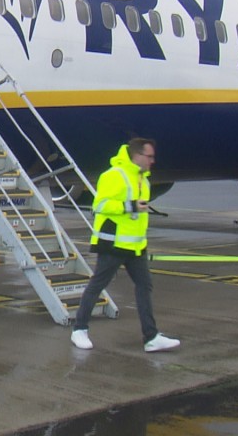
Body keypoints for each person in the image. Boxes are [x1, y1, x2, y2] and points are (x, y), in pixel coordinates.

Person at [71, 138, 180, 353]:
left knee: (144, 286)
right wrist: (129, 206)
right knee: (97, 285)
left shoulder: (143, 180)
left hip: (135, 246)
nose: (152, 161)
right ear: (137, 156)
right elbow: (99, 205)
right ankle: (79, 329)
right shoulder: (114, 175)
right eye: (149, 156)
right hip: (113, 243)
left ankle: (151, 337)